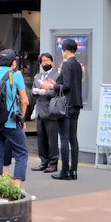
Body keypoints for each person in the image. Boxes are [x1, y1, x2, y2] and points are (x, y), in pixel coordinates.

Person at [0, 49, 29, 182]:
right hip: (10, 121)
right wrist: (22, 118)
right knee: (21, 152)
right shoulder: (16, 75)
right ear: (13, 63)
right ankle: (16, 186)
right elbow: (24, 100)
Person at [49, 39, 83, 181]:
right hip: (76, 104)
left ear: (66, 50)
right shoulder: (77, 65)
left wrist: (53, 86)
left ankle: (64, 170)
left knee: (63, 138)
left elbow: (66, 86)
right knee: (73, 138)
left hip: (65, 105)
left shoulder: (67, 64)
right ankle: (73, 171)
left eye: (62, 49)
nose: (62, 52)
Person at [31, 53, 59, 173]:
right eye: (43, 61)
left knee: (52, 139)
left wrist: (42, 92)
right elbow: (33, 90)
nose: (45, 63)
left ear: (52, 62)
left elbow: (55, 92)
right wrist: (35, 91)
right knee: (41, 139)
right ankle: (43, 162)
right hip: (39, 111)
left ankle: (53, 164)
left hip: (51, 111)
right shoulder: (38, 76)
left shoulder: (57, 75)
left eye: (47, 61)